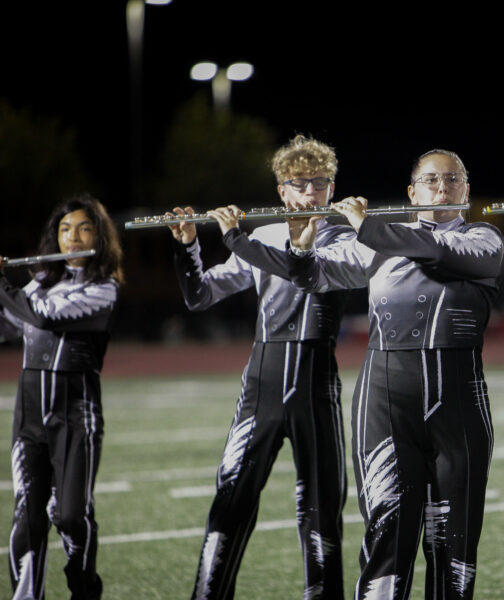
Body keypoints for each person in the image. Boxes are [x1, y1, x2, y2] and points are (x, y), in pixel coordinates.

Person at [220, 149, 502, 600]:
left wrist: (368, 227)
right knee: (387, 532)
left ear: (466, 191)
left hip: (460, 404)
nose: (442, 187)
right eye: (430, 180)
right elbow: (309, 276)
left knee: (455, 543)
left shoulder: (483, 238)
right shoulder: (376, 241)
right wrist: (285, 243)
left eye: (452, 180)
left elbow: (436, 251)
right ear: (412, 192)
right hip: (386, 399)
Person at [168, 134, 353, 599]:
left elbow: (299, 268)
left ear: (332, 189)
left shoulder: (348, 236)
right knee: (231, 497)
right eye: (299, 183)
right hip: (263, 380)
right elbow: (200, 295)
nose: (310, 192)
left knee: (321, 507)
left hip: (316, 381)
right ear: (282, 191)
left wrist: (235, 238)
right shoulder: (264, 235)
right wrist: (190, 245)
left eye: (320, 182)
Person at [1, 195, 123, 600]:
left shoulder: (104, 287)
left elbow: (45, 317)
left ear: (99, 236)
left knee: (70, 516)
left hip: (76, 413)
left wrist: (2, 284)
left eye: (84, 229)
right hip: (30, 414)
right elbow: (9, 325)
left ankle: (85, 588)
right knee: (28, 516)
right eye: (65, 229)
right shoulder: (39, 282)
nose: (72, 237)